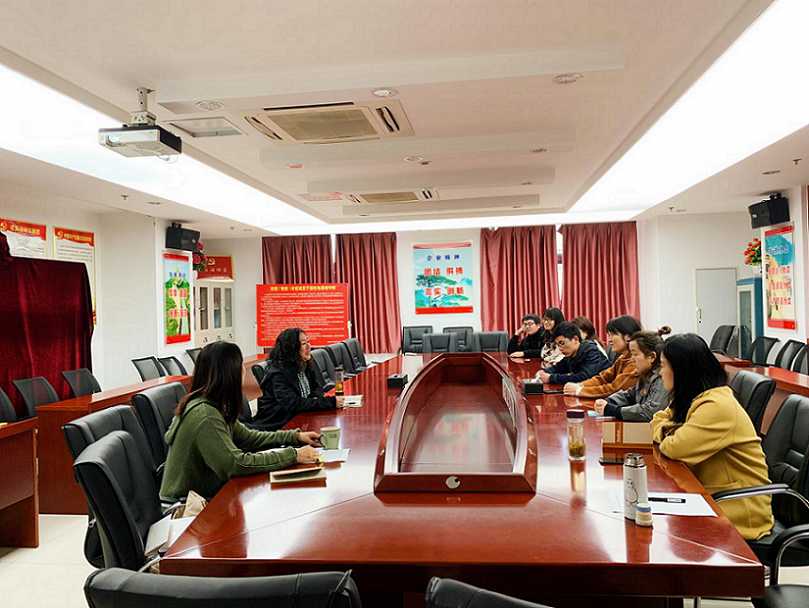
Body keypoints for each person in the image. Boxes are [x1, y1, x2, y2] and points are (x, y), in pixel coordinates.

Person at [160, 342, 321, 502]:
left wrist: (295, 437)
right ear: (230, 373)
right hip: (187, 507)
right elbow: (235, 465)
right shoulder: (206, 415)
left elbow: (249, 437)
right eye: (240, 364)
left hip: (205, 495)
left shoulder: (214, 405)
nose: (243, 369)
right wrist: (293, 455)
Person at [650, 333, 773, 540]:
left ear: (681, 369)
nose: (660, 373)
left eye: (663, 366)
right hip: (709, 494)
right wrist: (667, 430)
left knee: (660, 534)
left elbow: (674, 448)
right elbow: (657, 419)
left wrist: (664, 431)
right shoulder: (693, 398)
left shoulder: (716, 405)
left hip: (738, 507)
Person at [252, 327, 337, 431]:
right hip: (279, 426)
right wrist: (330, 402)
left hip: (300, 418)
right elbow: (293, 404)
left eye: (308, 342)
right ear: (291, 349)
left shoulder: (303, 364)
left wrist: (315, 400)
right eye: (304, 344)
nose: (309, 346)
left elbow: (317, 388)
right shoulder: (278, 374)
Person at [594, 329, 670, 421]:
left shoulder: (664, 377)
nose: (632, 359)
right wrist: (609, 401)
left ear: (652, 357)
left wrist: (614, 410)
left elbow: (651, 412)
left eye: (635, 354)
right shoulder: (644, 374)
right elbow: (630, 395)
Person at [564, 315, 643, 397]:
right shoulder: (622, 358)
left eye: (613, 335)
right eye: (609, 335)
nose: (609, 340)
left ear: (628, 337)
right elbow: (603, 378)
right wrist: (580, 385)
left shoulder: (635, 362)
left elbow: (615, 389)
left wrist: (579, 390)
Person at [535, 321, 610, 385]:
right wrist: (543, 372)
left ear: (575, 339)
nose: (560, 348)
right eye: (558, 345)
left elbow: (585, 377)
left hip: (605, 389)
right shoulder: (570, 354)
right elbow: (558, 368)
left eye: (562, 343)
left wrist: (551, 378)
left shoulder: (591, 350)